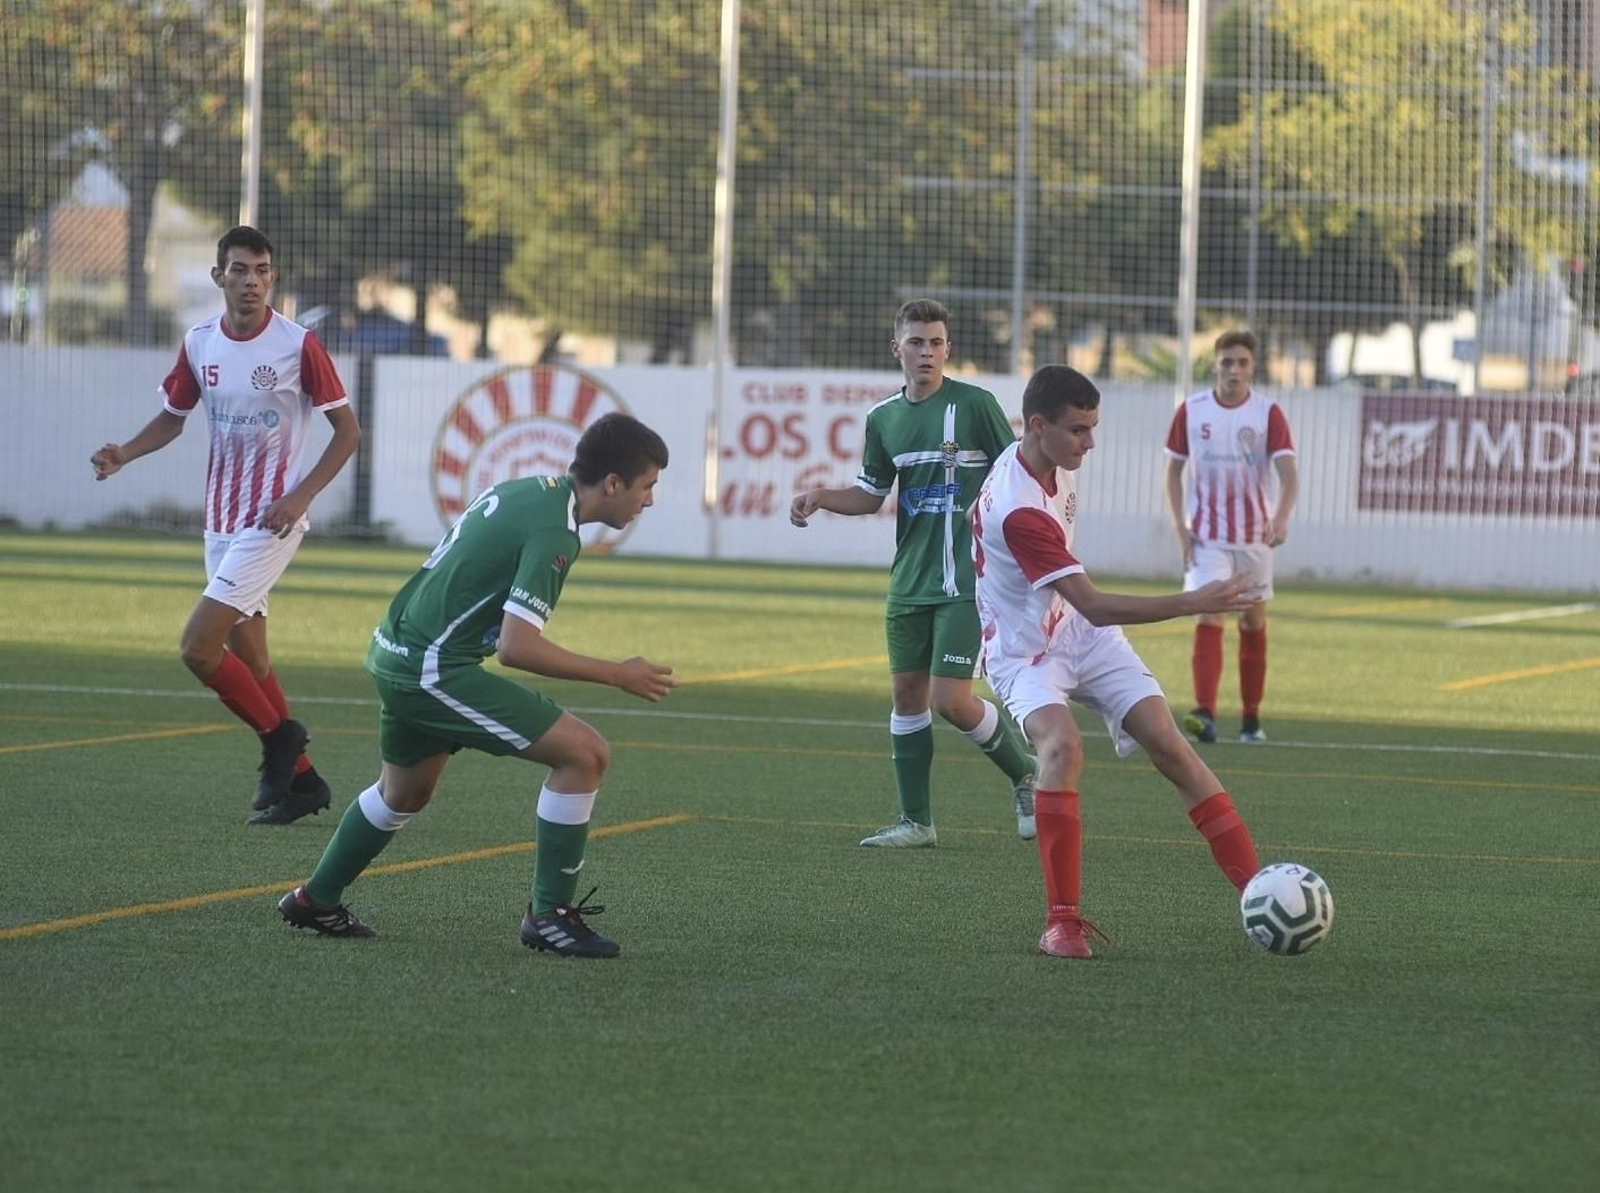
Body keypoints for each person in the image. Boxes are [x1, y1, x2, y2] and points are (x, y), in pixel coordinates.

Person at [277, 413, 675, 957]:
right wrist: (618, 674)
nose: (649, 500)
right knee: (586, 755)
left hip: (397, 650)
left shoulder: (530, 490)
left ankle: (314, 900)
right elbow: (518, 647)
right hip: (433, 666)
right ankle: (549, 915)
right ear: (612, 484)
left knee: (405, 792)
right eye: (647, 485)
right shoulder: (555, 530)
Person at [972, 365, 1263, 958]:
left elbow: (1085, 611)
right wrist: (1195, 601)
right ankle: (1062, 922)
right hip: (1026, 651)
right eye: (1079, 430)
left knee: (1170, 744)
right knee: (1063, 748)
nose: (1091, 442)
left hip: (1076, 628)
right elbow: (1099, 606)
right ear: (1037, 425)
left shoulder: (1048, 458)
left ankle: (1259, 891)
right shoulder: (1019, 509)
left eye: (1093, 427)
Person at [90, 225, 360, 824]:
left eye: (262, 270)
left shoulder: (298, 345)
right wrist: (125, 453)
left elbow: (349, 433)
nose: (252, 281)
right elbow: (173, 418)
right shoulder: (199, 343)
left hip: (272, 523)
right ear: (220, 277)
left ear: (273, 277)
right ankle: (305, 784)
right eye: (240, 270)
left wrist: (300, 497)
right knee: (255, 662)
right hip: (221, 525)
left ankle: (277, 743)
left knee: (197, 647)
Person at [790, 298, 1037, 848]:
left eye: (937, 342)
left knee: (950, 700)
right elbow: (871, 493)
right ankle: (916, 822)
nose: (927, 352)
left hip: (966, 582)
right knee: (907, 696)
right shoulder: (884, 419)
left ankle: (1025, 774)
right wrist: (821, 497)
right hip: (908, 582)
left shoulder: (974, 406)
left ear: (949, 349)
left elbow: (1015, 477)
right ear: (896, 347)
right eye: (917, 342)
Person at [1163, 329, 1299, 744]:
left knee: (1253, 619)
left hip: (1254, 538)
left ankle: (1251, 718)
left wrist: (1280, 518)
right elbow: (1173, 473)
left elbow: (1289, 474)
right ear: (1215, 365)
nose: (1234, 370)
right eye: (1227, 362)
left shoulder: (1267, 413)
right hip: (1207, 537)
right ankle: (1205, 713)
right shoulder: (1192, 411)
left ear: (1252, 366)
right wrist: (1181, 530)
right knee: (1208, 612)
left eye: (1242, 362)